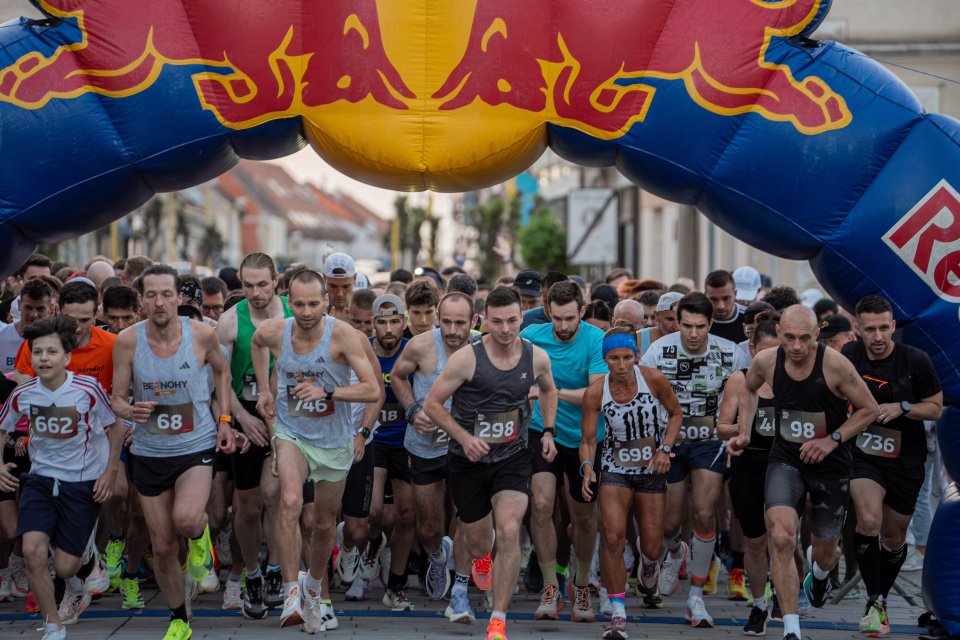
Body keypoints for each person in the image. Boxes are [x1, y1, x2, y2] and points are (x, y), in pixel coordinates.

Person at [730, 305, 878, 640]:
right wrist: (744, 430)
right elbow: (748, 388)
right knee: (781, 537)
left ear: (817, 335)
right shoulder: (767, 361)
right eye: (790, 338)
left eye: (806, 339)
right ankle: (791, 627)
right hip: (786, 458)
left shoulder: (836, 365)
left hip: (832, 464)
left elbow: (869, 408)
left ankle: (821, 575)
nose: (797, 346)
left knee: (825, 555)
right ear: (779, 332)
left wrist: (832, 439)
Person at [424, 286, 558, 640]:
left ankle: (497, 620)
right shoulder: (467, 358)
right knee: (481, 542)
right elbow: (433, 404)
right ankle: (482, 559)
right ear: (483, 322)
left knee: (511, 530)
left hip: (513, 458)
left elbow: (549, 388)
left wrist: (547, 429)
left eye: (513, 320)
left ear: (521, 318)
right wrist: (465, 438)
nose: (506, 329)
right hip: (468, 461)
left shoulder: (536, 357)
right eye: (497, 322)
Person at [111, 263, 237, 640]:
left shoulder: (201, 335)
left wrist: (226, 420)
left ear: (178, 296)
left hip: (194, 445)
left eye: (167, 294)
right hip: (149, 451)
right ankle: (179, 616)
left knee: (186, 519)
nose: (160, 302)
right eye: (151, 295)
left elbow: (222, 373)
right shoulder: (128, 342)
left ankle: (201, 542)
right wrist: (128, 411)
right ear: (141, 300)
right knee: (163, 546)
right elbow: (117, 398)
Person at [250, 269, 379, 633]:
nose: (306, 312)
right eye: (299, 304)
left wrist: (329, 393)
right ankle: (292, 592)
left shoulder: (344, 336)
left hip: (334, 441)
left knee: (324, 524)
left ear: (327, 301)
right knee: (290, 502)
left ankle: (314, 589)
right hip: (293, 433)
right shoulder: (276, 331)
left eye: (313, 303)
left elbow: (372, 390)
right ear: (288, 302)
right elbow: (257, 342)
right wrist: (264, 389)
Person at [0, 315, 122, 640]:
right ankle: (52, 623)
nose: (44, 359)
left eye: (51, 352)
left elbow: (116, 425)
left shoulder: (87, 389)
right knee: (32, 552)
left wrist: (110, 472)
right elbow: (3, 426)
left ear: (67, 357)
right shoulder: (22, 394)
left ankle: (87, 557)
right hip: (40, 481)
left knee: (66, 568)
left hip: (81, 484)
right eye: (37, 352)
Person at [640, 292, 750, 628]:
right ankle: (676, 554)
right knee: (670, 524)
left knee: (704, 513)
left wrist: (740, 430)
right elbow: (641, 389)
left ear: (710, 324)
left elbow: (748, 392)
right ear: (677, 320)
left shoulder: (730, 353)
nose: (693, 333)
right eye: (687, 325)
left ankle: (696, 598)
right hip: (670, 441)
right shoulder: (660, 350)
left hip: (710, 440)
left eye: (700, 326)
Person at [842, 296, 942, 635]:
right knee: (869, 519)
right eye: (869, 329)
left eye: (884, 327)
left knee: (894, 536)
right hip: (864, 454)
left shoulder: (916, 360)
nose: (878, 336)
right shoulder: (848, 356)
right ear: (857, 329)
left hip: (906, 458)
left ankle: (879, 597)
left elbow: (935, 408)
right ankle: (874, 601)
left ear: (894, 326)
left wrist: (903, 407)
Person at [580, 326, 682, 640]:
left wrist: (665, 448)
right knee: (612, 537)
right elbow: (587, 440)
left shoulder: (653, 380)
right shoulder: (596, 391)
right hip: (614, 466)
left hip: (651, 465)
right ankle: (618, 613)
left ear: (636, 356)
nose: (622, 365)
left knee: (652, 545)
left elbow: (676, 414)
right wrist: (587, 468)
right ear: (605, 359)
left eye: (627, 357)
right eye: (614, 358)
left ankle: (649, 567)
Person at [391, 291, 480, 624]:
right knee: (428, 526)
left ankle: (459, 576)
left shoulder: (483, 349)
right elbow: (398, 376)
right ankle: (437, 557)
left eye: (460, 323)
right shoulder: (420, 346)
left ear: (473, 322)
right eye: (446, 322)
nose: (453, 330)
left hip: (464, 447)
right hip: (424, 445)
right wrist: (413, 409)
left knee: (466, 515)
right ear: (436, 319)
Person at [520, 281, 607, 622]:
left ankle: (581, 585)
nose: (563, 326)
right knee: (540, 505)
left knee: (583, 518)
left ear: (582, 312)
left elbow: (594, 396)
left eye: (570, 318)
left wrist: (548, 389)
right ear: (548, 312)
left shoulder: (595, 340)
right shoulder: (532, 336)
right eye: (557, 318)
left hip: (585, 438)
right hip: (543, 432)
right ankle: (549, 586)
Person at [216, 252, 292, 617]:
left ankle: (276, 568)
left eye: (263, 284)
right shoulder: (231, 321)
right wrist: (240, 419)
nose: (256, 292)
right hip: (248, 419)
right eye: (248, 285)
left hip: (289, 420)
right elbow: (220, 380)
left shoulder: (295, 314)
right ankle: (252, 574)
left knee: (274, 493)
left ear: (276, 281)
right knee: (246, 507)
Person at [719, 311, 781, 636]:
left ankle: (786, 596)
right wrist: (743, 429)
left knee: (783, 536)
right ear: (753, 349)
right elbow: (720, 428)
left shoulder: (795, 381)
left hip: (784, 465)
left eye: (777, 351)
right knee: (756, 542)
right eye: (764, 351)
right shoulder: (740, 379)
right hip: (748, 465)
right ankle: (759, 605)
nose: (770, 358)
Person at [363, 294, 419, 610]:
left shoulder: (415, 351)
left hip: (407, 442)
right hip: (374, 439)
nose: (388, 329)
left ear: (404, 323)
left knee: (406, 516)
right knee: (372, 512)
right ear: (374, 323)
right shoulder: (362, 350)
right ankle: (373, 543)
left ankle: (395, 586)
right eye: (382, 322)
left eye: (394, 322)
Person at [14, 281, 116, 392]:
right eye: (71, 319)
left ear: (96, 314)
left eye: (84, 320)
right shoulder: (37, 343)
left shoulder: (112, 344)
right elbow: (18, 394)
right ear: (58, 311)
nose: (77, 328)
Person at [0, 279, 54, 375]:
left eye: (40, 309)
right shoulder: (2, 337)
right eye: (28, 307)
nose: (33, 314)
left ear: (50, 308)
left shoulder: (59, 340)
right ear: (20, 305)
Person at [705, 270, 746, 343]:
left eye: (726, 298)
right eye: (714, 299)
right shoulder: (697, 319)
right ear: (705, 296)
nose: (721, 306)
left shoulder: (749, 318)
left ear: (735, 294)